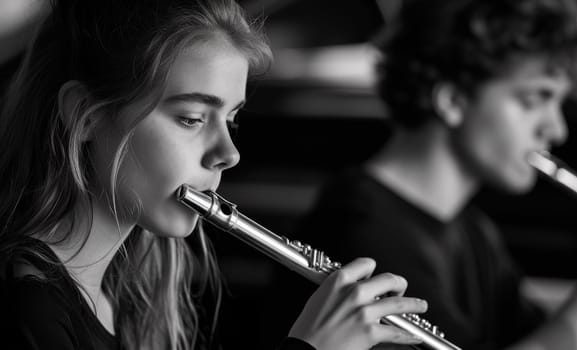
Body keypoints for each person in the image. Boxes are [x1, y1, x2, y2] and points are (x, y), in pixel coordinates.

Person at [0, 1, 429, 349]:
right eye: (191, 118)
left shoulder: (121, 301)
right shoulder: (27, 312)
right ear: (85, 115)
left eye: (232, 120)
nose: (229, 153)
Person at [276, 0, 577, 349]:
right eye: (536, 98)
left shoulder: (471, 230)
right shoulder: (362, 234)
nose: (556, 129)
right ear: (453, 100)